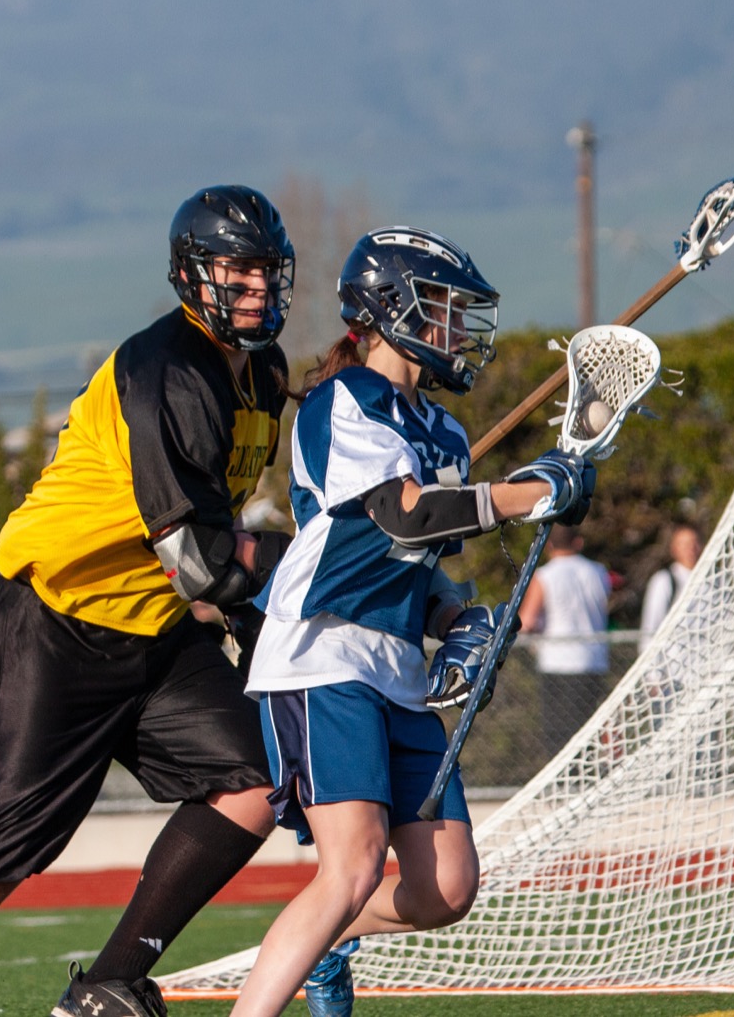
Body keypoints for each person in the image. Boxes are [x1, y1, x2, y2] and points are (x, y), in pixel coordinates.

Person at [0, 185, 299, 1017]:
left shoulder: (263, 373)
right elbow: (195, 554)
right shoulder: (168, 368)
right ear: (192, 274)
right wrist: (286, 573)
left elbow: (214, 530)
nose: (255, 287)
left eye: (266, 271)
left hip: (152, 625)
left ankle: (108, 984)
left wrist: (253, 601)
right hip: (52, 619)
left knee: (257, 775)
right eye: (237, 270)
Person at [228, 227, 596, 1017]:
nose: (458, 330)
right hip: (323, 651)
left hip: (396, 669)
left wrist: (460, 618)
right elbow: (405, 515)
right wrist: (530, 494)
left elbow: (417, 565)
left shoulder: (445, 434)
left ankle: (325, 939)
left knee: (445, 887)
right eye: (443, 310)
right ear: (391, 309)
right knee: (353, 865)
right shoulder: (343, 400)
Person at [518, 523, 613, 755]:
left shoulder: (545, 575)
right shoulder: (598, 572)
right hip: (593, 661)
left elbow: (527, 621)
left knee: (559, 739)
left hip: (558, 663)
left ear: (548, 545)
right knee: (588, 734)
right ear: (578, 542)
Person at [638, 522, 702, 647]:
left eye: (695, 542)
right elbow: (651, 624)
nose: (691, 549)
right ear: (674, 548)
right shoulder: (664, 580)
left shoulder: (715, 580)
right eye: (684, 544)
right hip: (674, 656)